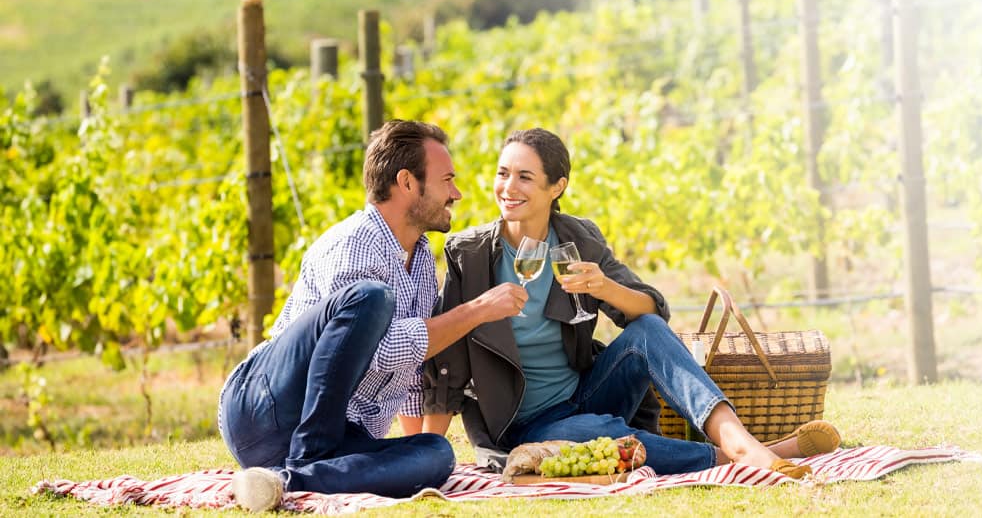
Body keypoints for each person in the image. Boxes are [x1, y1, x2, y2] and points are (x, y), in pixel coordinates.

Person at [404, 127, 839, 478]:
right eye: (502, 174)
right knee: (598, 433)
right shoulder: (470, 254)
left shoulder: (578, 239)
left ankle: (736, 441)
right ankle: (741, 458)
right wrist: (431, 455)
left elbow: (653, 312)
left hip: (587, 393)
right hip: (525, 425)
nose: (507, 187)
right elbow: (448, 363)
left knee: (645, 333)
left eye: (524, 177)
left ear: (558, 186)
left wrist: (603, 288)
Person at [216, 120, 532, 511]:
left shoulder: (418, 261)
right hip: (264, 409)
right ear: (407, 183)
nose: (457, 193)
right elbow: (377, 352)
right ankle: (310, 456)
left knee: (436, 455)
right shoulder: (354, 243)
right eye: (447, 180)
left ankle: (282, 480)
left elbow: (410, 371)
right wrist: (479, 310)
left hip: (337, 433)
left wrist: (413, 443)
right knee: (371, 298)